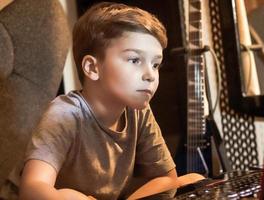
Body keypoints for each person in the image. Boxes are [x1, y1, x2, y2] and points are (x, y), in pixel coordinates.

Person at [18, 2, 192, 200]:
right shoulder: (65, 114)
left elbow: (167, 179)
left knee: (194, 178)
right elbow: (32, 188)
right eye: (135, 60)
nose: (151, 75)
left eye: (155, 64)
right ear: (92, 68)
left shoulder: (139, 111)